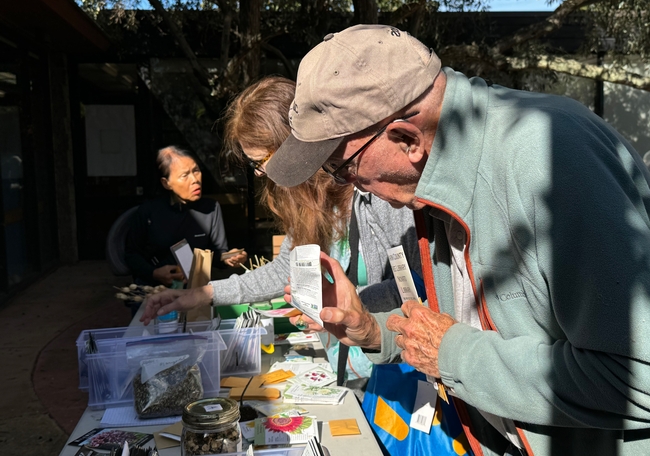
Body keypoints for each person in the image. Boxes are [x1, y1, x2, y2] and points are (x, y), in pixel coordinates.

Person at [266, 24, 650, 455]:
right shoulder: (434, 175)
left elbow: (637, 377)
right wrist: (375, 332)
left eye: (344, 169)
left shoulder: (551, 159)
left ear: (406, 138)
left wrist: (455, 358)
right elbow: (477, 324)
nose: (352, 186)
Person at [140, 77, 421, 380]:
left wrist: (348, 304)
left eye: (263, 160)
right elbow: (284, 269)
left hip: (399, 364)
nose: (261, 173)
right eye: (254, 164)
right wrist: (204, 293)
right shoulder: (309, 202)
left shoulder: (375, 193)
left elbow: (419, 285)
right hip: (354, 366)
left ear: (294, 145)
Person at [125, 145, 248, 287]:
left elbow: (217, 253)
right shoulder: (149, 211)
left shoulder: (211, 208)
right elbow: (131, 255)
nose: (195, 180)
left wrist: (229, 257)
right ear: (167, 183)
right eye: (185, 175)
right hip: (154, 288)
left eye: (196, 171)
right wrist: (154, 273)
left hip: (195, 288)